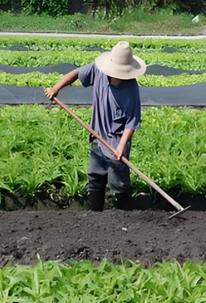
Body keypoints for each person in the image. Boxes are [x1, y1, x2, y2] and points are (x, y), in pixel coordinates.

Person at [44, 41, 146, 211]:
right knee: (95, 177)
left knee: (118, 183)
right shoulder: (98, 70)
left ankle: (125, 217)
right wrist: (56, 88)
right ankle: (95, 216)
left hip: (116, 141)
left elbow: (132, 121)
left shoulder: (131, 88)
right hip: (97, 136)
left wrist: (121, 147)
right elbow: (77, 73)